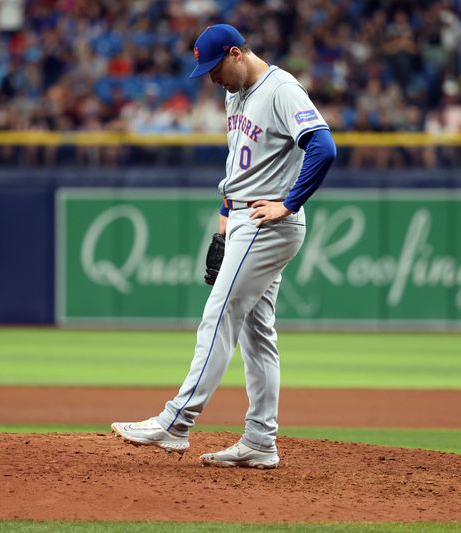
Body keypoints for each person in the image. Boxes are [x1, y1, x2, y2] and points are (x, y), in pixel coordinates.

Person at [111, 24, 337, 469]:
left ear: (236, 54)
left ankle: (176, 421)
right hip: (240, 216)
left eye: (215, 68)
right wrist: (224, 218)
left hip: (266, 223)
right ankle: (260, 441)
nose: (211, 78)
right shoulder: (235, 93)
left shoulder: (281, 89)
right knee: (257, 334)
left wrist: (289, 204)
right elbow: (240, 162)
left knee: (219, 313)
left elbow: (323, 148)